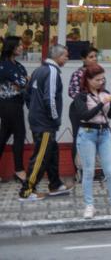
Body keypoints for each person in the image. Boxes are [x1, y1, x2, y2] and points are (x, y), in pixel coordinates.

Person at [19, 44, 73, 201]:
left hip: (39, 120)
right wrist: (54, 119)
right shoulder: (52, 71)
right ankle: (26, 191)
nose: (67, 59)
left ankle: (55, 185)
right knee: (41, 156)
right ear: (57, 56)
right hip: (45, 123)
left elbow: (27, 94)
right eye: (65, 56)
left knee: (52, 152)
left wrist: (34, 111)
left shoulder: (38, 70)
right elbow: (50, 98)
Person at [72, 65, 111, 218]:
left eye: (103, 79)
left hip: (104, 133)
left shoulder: (105, 93)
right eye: (97, 79)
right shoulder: (81, 96)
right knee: (88, 172)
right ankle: (89, 205)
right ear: (88, 80)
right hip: (87, 133)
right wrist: (101, 103)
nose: (101, 82)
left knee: (110, 171)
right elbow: (84, 115)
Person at [68, 46, 102, 180]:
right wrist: (89, 99)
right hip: (79, 110)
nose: (94, 59)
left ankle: (92, 170)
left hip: (96, 110)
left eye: (95, 56)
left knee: (95, 138)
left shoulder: (99, 73)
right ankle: (78, 171)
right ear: (83, 59)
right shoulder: (78, 74)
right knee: (79, 139)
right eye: (91, 57)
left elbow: (102, 90)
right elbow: (72, 93)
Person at [0, 36, 28, 184]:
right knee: (19, 134)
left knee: (3, 136)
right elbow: (22, 81)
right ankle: (19, 170)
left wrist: (23, 82)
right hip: (8, 104)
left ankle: (19, 170)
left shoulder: (16, 64)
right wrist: (23, 82)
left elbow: (25, 81)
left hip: (15, 103)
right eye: (19, 45)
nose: (22, 47)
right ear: (11, 47)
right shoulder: (4, 65)